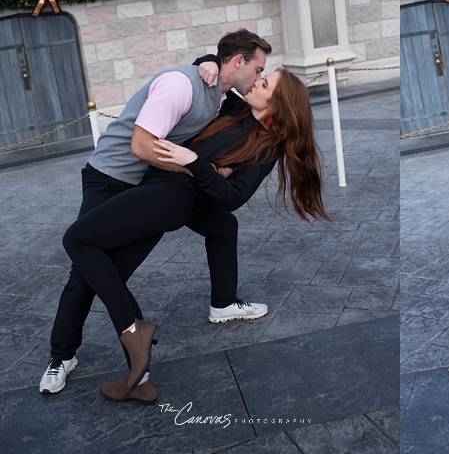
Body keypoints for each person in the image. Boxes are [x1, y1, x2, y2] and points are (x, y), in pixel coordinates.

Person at [60, 68, 331, 402]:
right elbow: (223, 75)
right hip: (158, 189)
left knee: (76, 239)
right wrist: (208, 61)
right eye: (260, 76)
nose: (255, 83)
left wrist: (196, 163)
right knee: (107, 269)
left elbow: (233, 197)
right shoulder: (236, 107)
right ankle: (141, 380)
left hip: (171, 197)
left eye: (264, 84)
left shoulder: (267, 149)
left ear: (278, 104)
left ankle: (133, 329)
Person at [40, 29, 271, 395]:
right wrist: (202, 170)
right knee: (84, 270)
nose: (260, 76)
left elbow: (256, 121)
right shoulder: (182, 85)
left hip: (148, 189)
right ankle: (62, 355)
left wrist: (206, 62)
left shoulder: (222, 96)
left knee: (109, 272)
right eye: (259, 68)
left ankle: (141, 372)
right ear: (239, 61)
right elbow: (141, 147)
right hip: (110, 178)